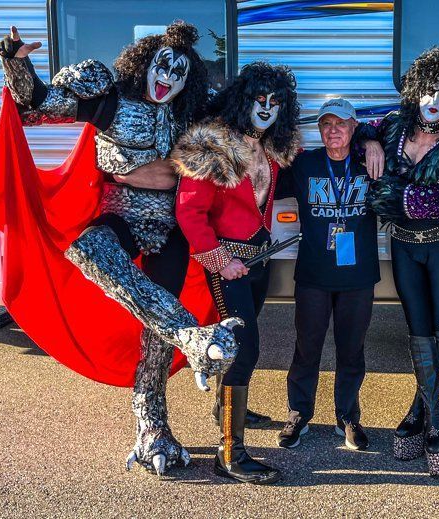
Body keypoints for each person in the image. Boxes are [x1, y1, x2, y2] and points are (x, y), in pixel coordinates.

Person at [0, 22, 239, 477]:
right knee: (88, 250)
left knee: (155, 331)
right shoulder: (112, 99)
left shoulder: (194, 115)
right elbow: (38, 106)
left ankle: (152, 424)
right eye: (163, 66)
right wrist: (18, 65)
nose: (168, 77)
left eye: (179, 73)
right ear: (146, 64)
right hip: (120, 212)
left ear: (187, 79)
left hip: (172, 225)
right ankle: (191, 335)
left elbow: (251, 139)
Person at [173, 62, 301, 485]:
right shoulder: (213, 145)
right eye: (260, 101)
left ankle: (225, 410)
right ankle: (229, 452)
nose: (267, 110)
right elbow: (189, 211)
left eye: (276, 103)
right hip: (228, 264)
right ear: (243, 100)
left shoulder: (272, 147)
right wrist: (219, 260)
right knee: (244, 348)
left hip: (259, 259)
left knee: (243, 342)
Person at [355, 48, 439, 477]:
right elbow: (375, 195)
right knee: (416, 328)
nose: (433, 100)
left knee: (435, 330)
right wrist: (368, 141)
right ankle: (430, 414)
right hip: (403, 247)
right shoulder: (389, 128)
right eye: (427, 91)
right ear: (414, 91)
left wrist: (401, 197)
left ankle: (430, 421)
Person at [274, 98, 381, 452]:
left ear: (354, 129)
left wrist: (374, 141)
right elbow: (264, 177)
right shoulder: (305, 164)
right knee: (307, 347)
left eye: (341, 124)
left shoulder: (371, 163)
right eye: (326, 124)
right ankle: (298, 412)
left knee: (352, 350)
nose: (333, 130)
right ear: (319, 129)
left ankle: (348, 415)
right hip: (314, 274)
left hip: (358, 274)